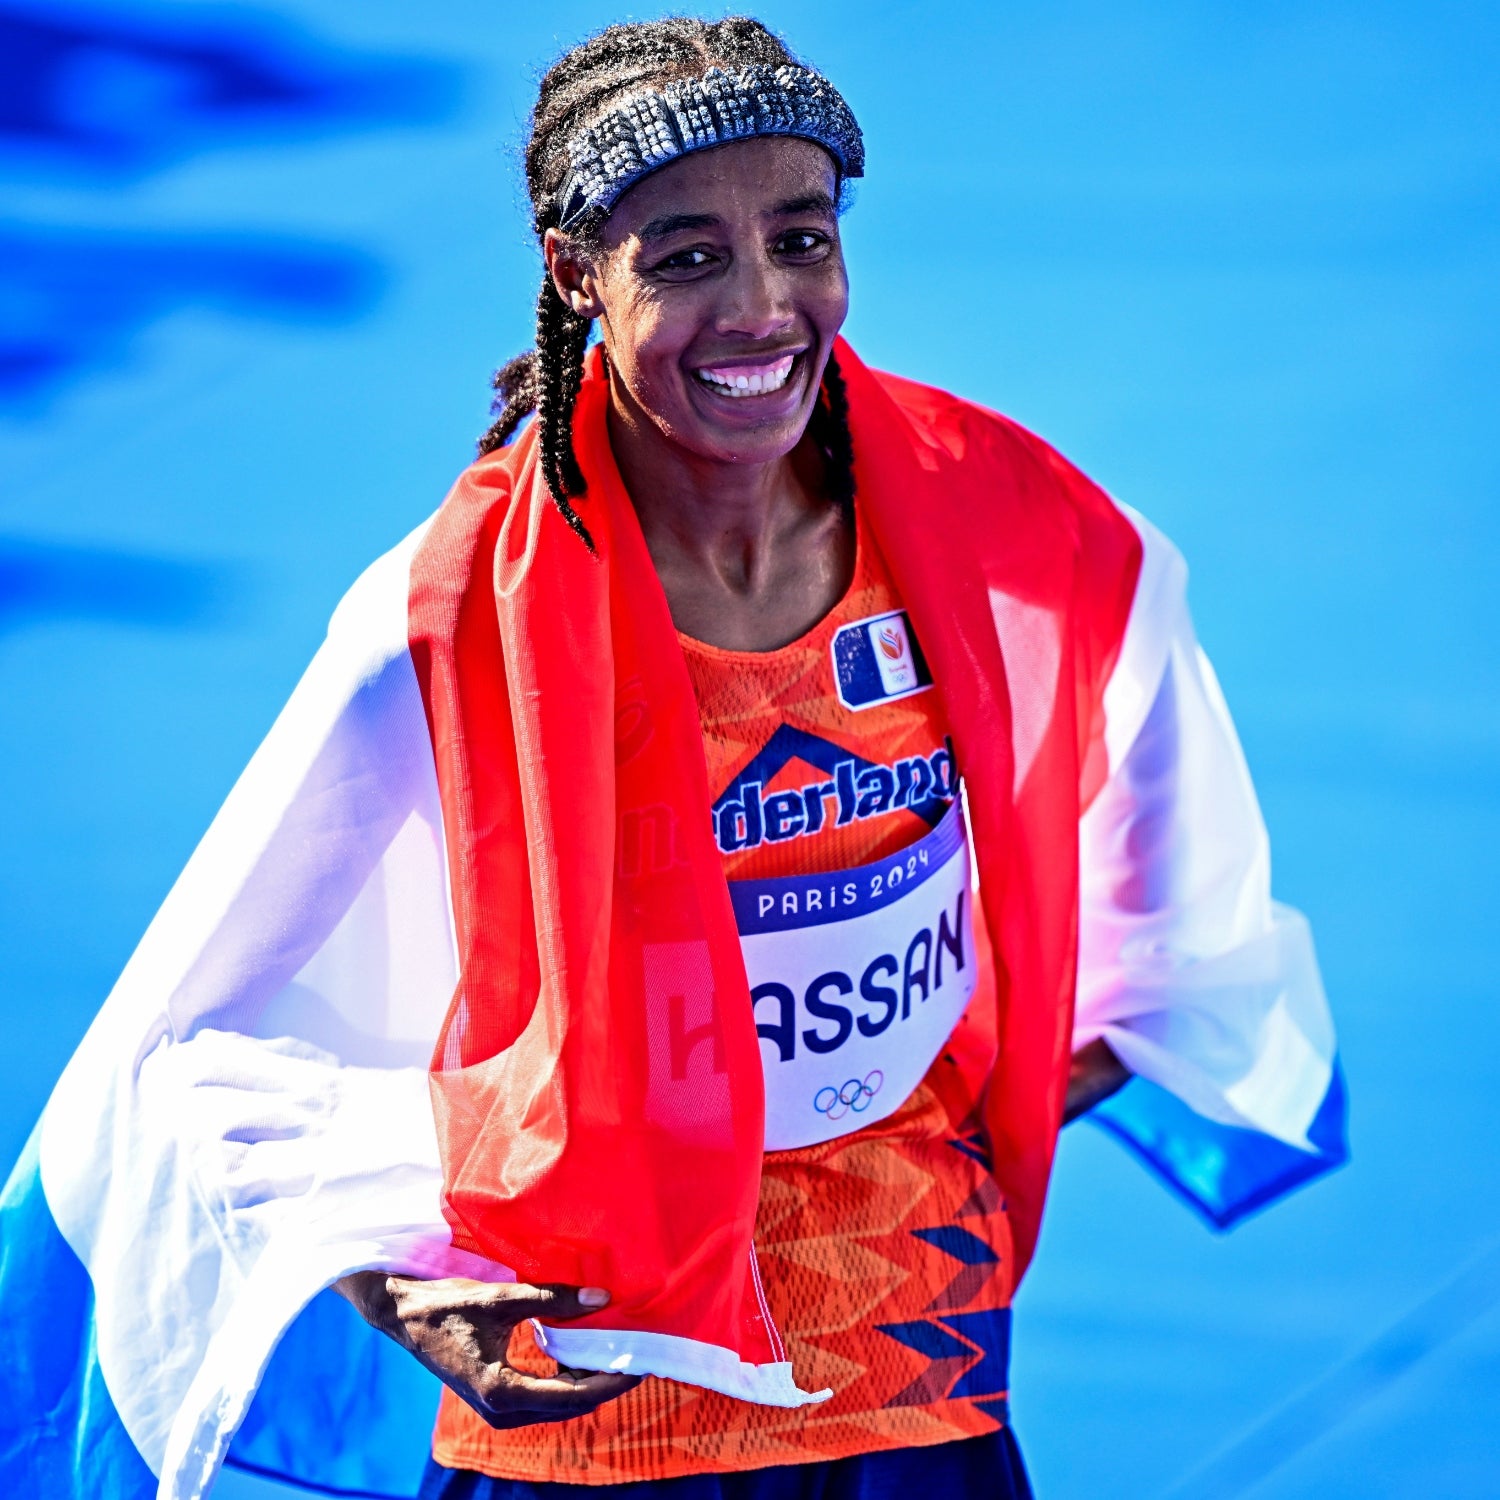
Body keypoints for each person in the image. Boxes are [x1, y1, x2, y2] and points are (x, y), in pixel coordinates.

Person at [0, 16, 1344, 1500]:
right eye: (687, 256)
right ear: (578, 274)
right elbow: (201, 1040)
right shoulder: (447, 621)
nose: (766, 307)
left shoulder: (1011, 526)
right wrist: (407, 1286)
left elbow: (1156, 830)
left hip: (915, 1367)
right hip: (603, 1406)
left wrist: (984, 1069)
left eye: (802, 238)